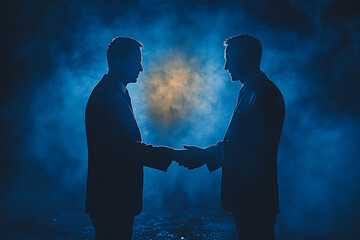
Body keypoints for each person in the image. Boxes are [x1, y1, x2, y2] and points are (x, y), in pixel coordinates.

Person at [182, 35, 285, 240]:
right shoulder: (254, 91)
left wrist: (203, 156)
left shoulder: (262, 93)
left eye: (229, 58)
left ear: (244, 57)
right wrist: (204, 155)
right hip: (252, 195)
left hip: (255, 195)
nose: (225, 66)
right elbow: (240, 144)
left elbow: (250, 148)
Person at [85, 37, 184, 240]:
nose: (141, 68)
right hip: (112, 198)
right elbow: (126, 149)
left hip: (112, 197)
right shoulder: (108, 97)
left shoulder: (114, 93)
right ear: (119, 61)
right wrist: (174, 155)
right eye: (136, 61)